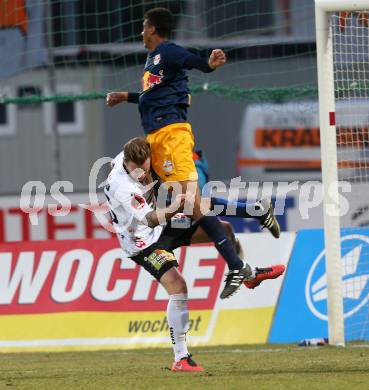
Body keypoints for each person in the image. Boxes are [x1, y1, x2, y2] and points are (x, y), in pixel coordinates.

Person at [106, 7, 281, 299]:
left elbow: (194, 62)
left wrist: (209, 64)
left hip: (172, 135)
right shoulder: (152, 61)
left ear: (152, 28)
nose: (140, 32)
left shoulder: (169, 52)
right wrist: (126, 97)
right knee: (192, 203)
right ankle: (255, 212)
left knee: (192, 205)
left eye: (143, 26)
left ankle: (237, 265)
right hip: (159, 138)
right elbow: (154, 95)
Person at [104, 137, 285, 372]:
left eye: (143, 166)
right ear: (125, 162)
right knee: (178, 286)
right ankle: (181, 358)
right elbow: (150, 219)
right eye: (134, 169)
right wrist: (174, 207)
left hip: (160, 228)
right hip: (142, 242)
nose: (139, 173)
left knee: (215, 221)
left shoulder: (130, 155)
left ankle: (253, 228)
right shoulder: (122, 187)